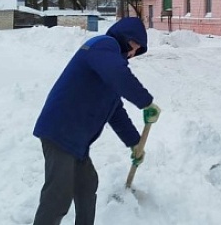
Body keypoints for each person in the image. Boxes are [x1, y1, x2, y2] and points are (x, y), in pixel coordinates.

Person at [32, 17, 161, 225]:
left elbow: (115, 111)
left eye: (136, 51)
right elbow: (118, 74)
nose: (132, 54)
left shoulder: (107, 68)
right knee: (58, 196)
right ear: (123, 38)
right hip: (60, 132)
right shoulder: (102, 45)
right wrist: (146, 102)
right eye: (132, 46)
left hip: (76, 141)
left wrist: (135, 143)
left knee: (87, 186)